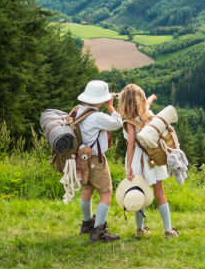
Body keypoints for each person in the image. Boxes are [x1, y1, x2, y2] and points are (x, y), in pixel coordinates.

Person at [117, 84, 179, 238]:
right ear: (141, 100)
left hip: (138, 159)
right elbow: (147, 104)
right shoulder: (148, 114)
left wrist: (129, 167)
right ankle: (168, 230)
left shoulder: (130, 121)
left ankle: (139, 229)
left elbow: (131, 144)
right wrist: (151, 98)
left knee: (139, 192)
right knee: (159, 192)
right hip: (153, 157)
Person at [74, 80, 123, 243]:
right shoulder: (97, 116)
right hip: (96, 160)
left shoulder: (78, 111)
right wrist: (110, 106)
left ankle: (87, 224)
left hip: (82, 159)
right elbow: (118, 123)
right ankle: (98, 231)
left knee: (86, 191)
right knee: (106, 192)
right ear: (100, 99)